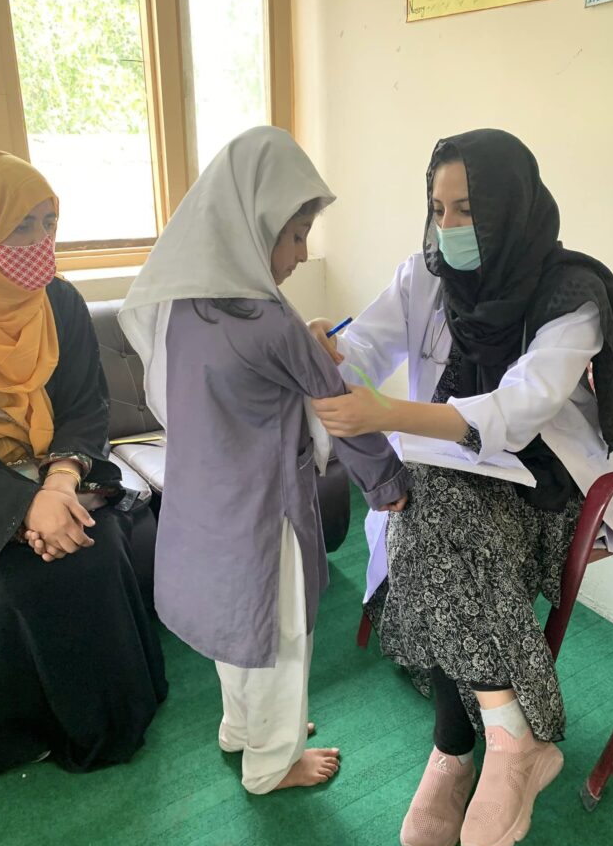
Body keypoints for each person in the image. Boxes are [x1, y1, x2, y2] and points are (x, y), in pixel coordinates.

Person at [309, 129, 613, 846]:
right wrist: (329, 346)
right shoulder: (425, 277)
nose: (447, 226)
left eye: (467, 210)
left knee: (421, 509)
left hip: (544, 493)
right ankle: (509, 737)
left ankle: (454, 748)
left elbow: (518, 411)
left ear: (512, 207)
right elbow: (368, 346)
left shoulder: (572, 295)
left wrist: (389, 414)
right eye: (438, 208)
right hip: (449, 481)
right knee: (431, 504)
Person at [119, 126, 411, 795]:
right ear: (253, 226)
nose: (303, 254)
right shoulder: (271, 322)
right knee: (280, 639)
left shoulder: (188, 303)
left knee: (235, 628)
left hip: (204, 502)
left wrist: (301, 341)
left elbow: (250, 370)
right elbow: (341, 409)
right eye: (296, 235)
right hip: (263, 511)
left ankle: (242, 728)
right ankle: (273, 764)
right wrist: (386, 483)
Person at [0, 151, 167, 781]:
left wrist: (57, 484)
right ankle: (22, 734)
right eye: (19, 226)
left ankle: (111, 719)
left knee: (94, 549)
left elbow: (87, 404)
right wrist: (22, 507)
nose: (39, 241)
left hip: (62, 473)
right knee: (8, 589)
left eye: (48, 222)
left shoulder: (60, 301)